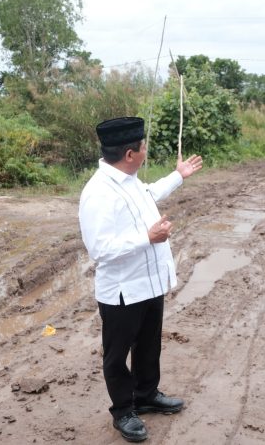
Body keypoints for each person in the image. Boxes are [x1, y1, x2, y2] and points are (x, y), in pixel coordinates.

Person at [78, 116, 203, 443]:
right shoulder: (98, 193)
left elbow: (148, 193)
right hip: (121, 292)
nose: (146, 151)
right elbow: (99, 249)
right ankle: (123, 411)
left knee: (149, 344)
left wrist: (178, 176)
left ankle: (146, 395)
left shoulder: (128, 178)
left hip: (148, 283)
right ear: (131, 154)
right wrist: (146, 238)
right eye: (144, 147)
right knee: (117, 356)